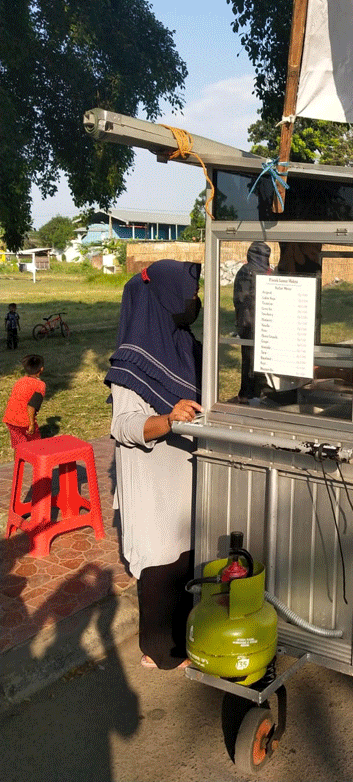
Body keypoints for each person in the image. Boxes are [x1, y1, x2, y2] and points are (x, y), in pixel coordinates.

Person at [105, 260, 203, 670]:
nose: (192, 306)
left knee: (187, 559)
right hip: (153, 479)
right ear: (159, 301)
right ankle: (159, 649)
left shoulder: (188, 346)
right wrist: (167, 419)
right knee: (161, 563)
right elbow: (123, 425)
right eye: (184, 298)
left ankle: (184, 639)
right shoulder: (131, 361)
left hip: (185, 472)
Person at [233, 241, 271, 402]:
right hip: (254, 323)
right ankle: (251, 393)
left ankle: (249, 392)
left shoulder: (245, 271)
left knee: (251, 359)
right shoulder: (255, 273)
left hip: (248, 322)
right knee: (253, 361)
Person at [3, 354, 45, 448]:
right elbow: (31, 406)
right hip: (24, 421)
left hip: (10, 418)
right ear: (41, 369)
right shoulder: (40, 385)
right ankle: (36, 462)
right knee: (37, 446)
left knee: (19, 447)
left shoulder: (20, 381)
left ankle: (18, 462)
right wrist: (31, 424)